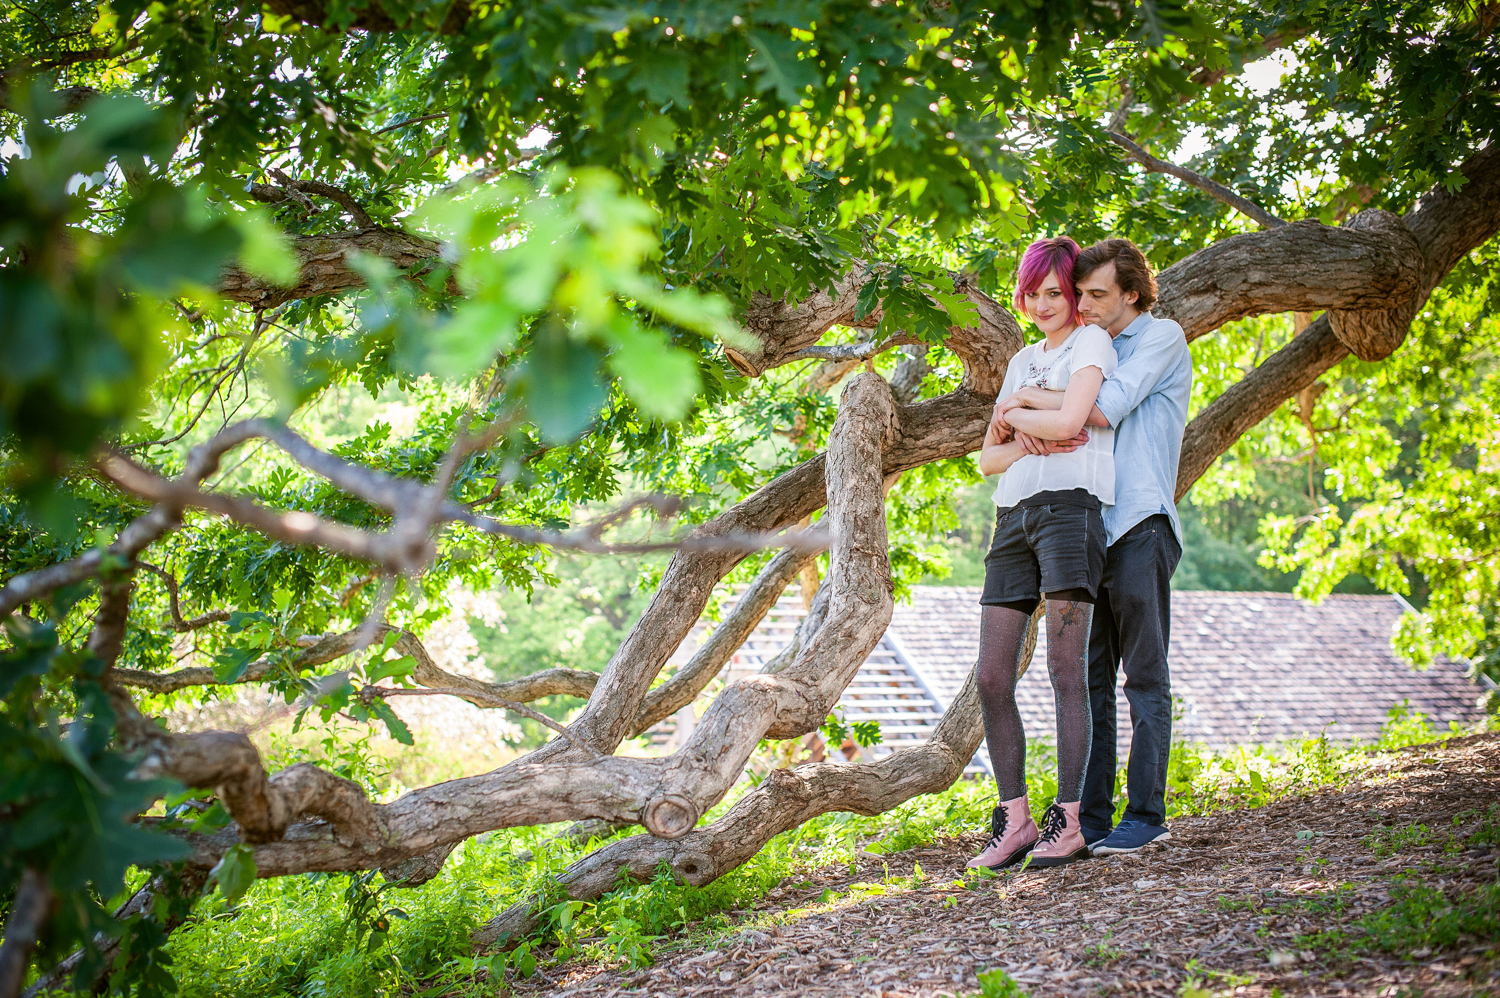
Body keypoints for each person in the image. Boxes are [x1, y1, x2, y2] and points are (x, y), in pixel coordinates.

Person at [995, 237, 1191, 856]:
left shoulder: (1159, 339)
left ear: (1131, 293)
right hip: (1091, 528)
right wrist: (1034, 410)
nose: (1083, 303)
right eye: (1077, 292)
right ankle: (1094, 819)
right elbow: (1000, 446)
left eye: (1095, 294)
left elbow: (1101, 410)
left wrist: (1023, 403)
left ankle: (1147, 812)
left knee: (1144, 674)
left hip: (1140, 523)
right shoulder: (1081, 346)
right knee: (1091, 677)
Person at [966, 236, 1117, 871]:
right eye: (1033, 293)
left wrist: (1021, 414)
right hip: (1014, 517)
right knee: (993, 675)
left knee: (1063, 671)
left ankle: (1070, 819)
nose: (1043, 303)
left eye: (1055, 292)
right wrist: (1029, 435)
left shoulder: (1091, 343)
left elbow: (1075, 422)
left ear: (1072, 293)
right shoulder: (1023, 357)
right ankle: (1016, 817)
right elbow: (985, 459)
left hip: (1070, 510)